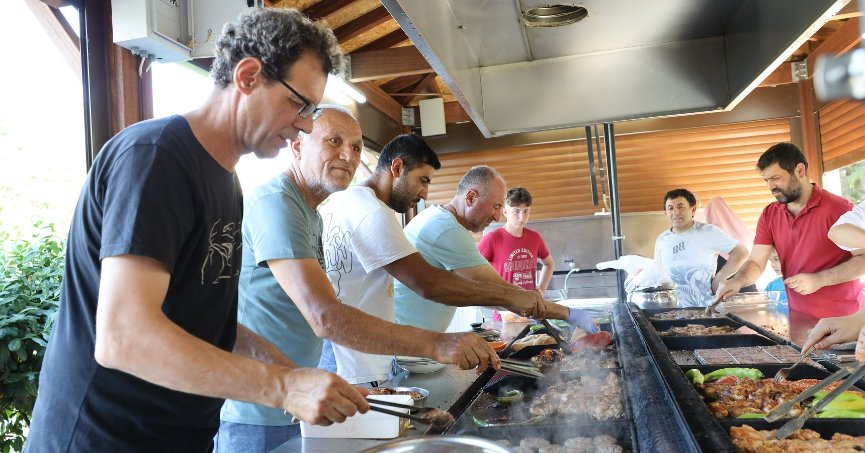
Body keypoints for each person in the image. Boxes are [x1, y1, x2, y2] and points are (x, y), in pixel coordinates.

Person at [25, 9, 369, 452]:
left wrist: (294, 375)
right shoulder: (156, 158)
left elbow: (213, 324)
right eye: (298, 104)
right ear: (247, 77)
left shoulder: (227, 185)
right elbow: (123, 337)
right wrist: (280, 389)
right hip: (102, 441)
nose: (304, 123)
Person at [216, 108, 508, 451]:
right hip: (258, 408)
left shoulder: (312, 213)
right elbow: (325, 316)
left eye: (356, 147)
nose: (348, 156)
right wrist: (438, 344)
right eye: (334, 141)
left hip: (298, 396)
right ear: (297, 147)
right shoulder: (277, 202)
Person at [318, 135, 548, 385]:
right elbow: (428, 284)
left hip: (356, 353)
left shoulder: (348, 201)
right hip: (355, 362)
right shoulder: (371, 212)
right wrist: (516, 299)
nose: (425, 192)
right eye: (423, 180)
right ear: (397, 168)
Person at [394, 170, 596, 333]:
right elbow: (502, 292)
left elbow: (492, 294)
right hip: (406, 343)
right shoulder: (447, 229)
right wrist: (568, 314)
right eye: (496, 206)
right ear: (471, 197)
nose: (498, 216)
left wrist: (528, 303)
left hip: (412, 339)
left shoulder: (434, 215)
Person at [717, 143, 865, 319]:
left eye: (776, 178)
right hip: (798, 318)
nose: (771, 186)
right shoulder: (769, 214)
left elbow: (862, 259)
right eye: (766, 180)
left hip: (844, 319)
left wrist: (820, 279)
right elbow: (756, 263)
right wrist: (737, 281)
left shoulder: (839, 209)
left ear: (800, 171)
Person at [653, 188, 748, 307]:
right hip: (672, 310)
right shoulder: (661, 240)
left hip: (706, 308)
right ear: (666, 213)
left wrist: (720, 277)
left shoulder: (709, 231)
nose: (676, 212)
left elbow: (741, 252)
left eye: (681, 206)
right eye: (670, 208)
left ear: (693, 209)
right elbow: (657, 273)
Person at [477, 187, 554, 322]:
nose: (522, 217)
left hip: (531, 311)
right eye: (516, 211)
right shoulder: (492, 239)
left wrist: (541, 289)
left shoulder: (535, 238)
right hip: (504, 313)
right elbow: (475, 270)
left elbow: (549, 263)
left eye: (526, 211)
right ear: (505, 211)